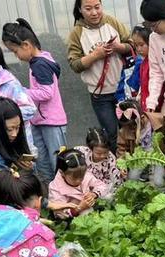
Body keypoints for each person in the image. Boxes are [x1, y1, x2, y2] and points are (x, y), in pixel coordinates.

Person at [2, 19, 67, 183]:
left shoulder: (40, 64)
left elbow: (47, 93)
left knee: (57, 161)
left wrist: (21, 92)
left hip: (51, 121)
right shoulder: (38, 62)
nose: (16, 56)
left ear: (26, 45)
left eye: (15, 51)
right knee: (42, 160)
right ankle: (48, 194)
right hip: (40, 120)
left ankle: (63, 194)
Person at [68, 0, 132, 152]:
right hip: (100, 96)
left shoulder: (112, 22)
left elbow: (133, 45)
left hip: (123, 90)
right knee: (111, 134)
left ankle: (134, 167)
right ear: (80, 9)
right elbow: (75, 64)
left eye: (97, 7)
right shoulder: (77, 33)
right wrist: (95, 55)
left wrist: (119, 47)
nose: (94, 12)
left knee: (130, 131)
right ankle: (116, 169)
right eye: (88, 8)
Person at [49, 148, 110, 218]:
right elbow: (60, 214)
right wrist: (79, 208)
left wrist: (94, 194)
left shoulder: (85, 173)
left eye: (82, 176)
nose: (79, 180)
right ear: (62, 173)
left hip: (89, 206)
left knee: (107, 196)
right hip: (73, 215)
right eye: (74, 178)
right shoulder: (55, 188)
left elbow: (102, 186)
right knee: (86, 213)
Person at [76, 127, 126, 194]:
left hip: (101, 189)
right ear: (90, 149)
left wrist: (122, 176)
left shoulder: (110, 160)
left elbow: (116, 179)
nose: (102, 156)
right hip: (82, 185)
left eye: (105, 152)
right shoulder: (81, 152)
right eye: (98, 153)